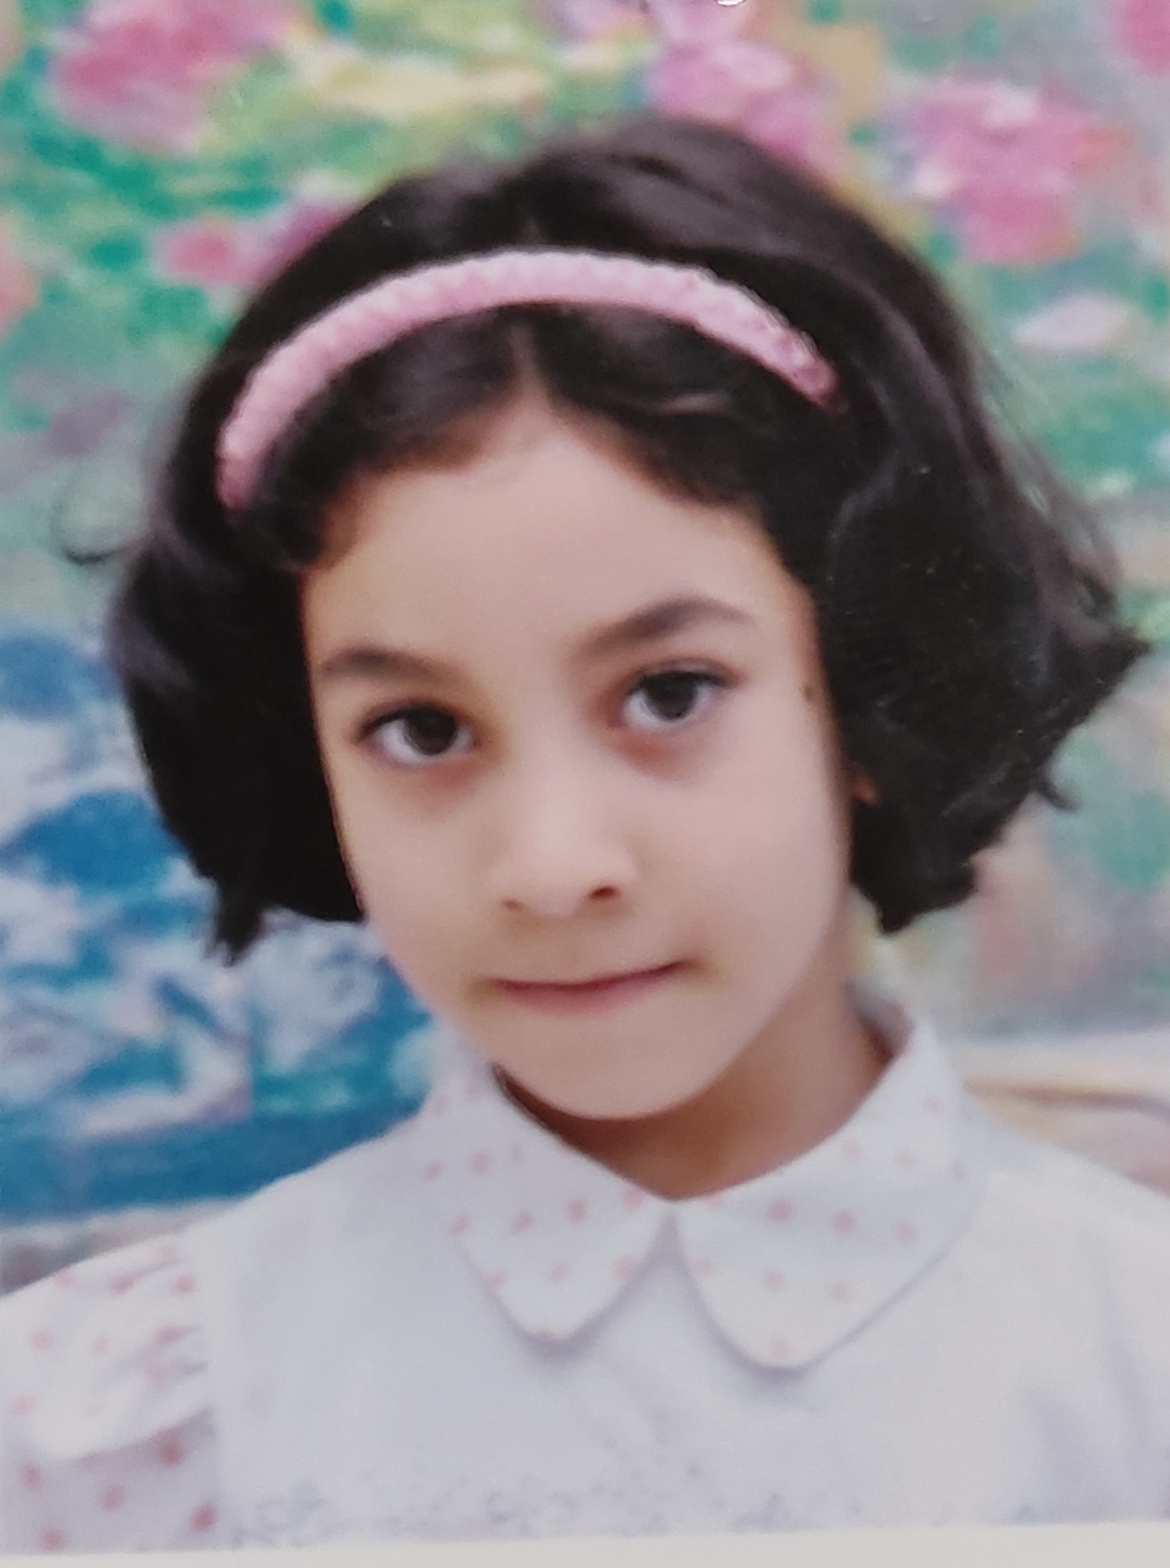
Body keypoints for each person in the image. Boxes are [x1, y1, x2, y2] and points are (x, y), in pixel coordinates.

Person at [2, 114, 1167, 1552]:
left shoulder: (1133, 1371)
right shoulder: (123, 1432)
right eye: (420, 730)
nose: (553, 867)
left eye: (669, 695)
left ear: (873, 693)